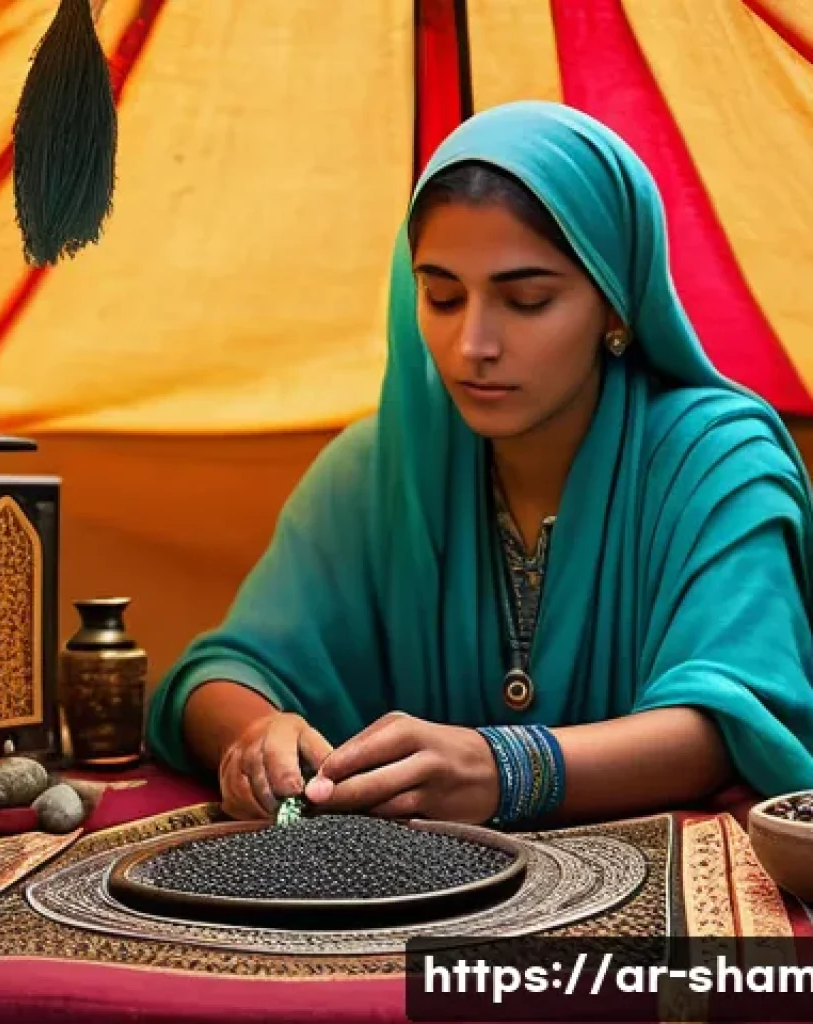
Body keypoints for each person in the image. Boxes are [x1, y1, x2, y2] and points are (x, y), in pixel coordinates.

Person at [145, 100, 813, 827]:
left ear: (618, 306)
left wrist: (511, 769)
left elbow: (732, 719)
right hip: (410, 891)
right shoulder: (378, 470)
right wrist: (255, 738)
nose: (473, 345)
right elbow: (224, 671)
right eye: (441, 296)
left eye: (526, 300)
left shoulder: (720, 465)